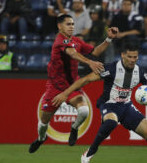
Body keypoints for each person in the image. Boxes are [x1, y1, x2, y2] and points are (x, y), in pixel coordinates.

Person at [52, 43, 147, 163]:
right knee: (111, 122)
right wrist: (65, 93)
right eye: (129, 56)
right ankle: (92, 150)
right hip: (108, 104)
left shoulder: (140, 72)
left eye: (135, 57)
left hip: (126, 107)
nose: (132, 60)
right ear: (122, 55)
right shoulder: (111, 68)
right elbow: (85, 80)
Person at [29, 14, 119, 153]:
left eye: (72, 24)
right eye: (68, 24)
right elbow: (72, 53)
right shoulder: (60, 41)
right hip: (55, 87)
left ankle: (74, 128)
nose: (71, 27)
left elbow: (95, 52)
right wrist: (90, 62)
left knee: (84, 110)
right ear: (60, 26)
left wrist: (108, 39)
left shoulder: (76, 41)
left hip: (72, 85)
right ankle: (41, 138)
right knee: (43, 122)